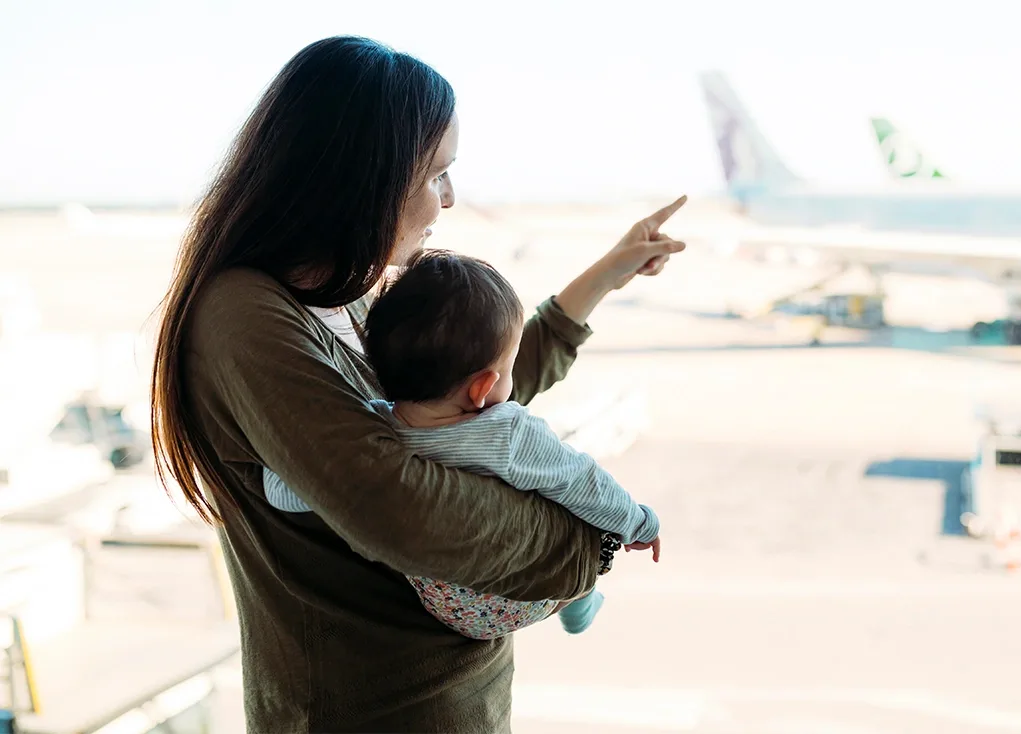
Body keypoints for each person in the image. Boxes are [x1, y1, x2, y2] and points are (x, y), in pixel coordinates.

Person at [149, 35, 686, 733]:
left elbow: (472, 395)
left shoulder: (347, 299)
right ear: (362, 178)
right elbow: (400, 508)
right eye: (437, 174)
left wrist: (603, 278)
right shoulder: (245, 318)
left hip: (454, 705)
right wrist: (588, 546)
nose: (451, 199)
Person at [260, 248, 662, 640]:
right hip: (523, 595)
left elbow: (293, 488)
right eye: (508, 367)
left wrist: (272, 466)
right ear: (483, 387)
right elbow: (583, 481)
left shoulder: (373, 429)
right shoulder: (506, 433)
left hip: (449, 608)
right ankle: (579, 602)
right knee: (564, 492)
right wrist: (638, 522)